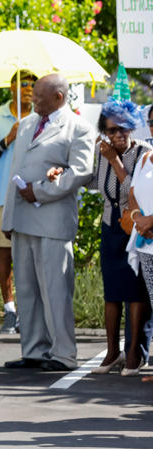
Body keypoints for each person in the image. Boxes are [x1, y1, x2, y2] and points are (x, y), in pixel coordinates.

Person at [2, 74, 95, 371]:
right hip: (23, 219)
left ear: (59, 97)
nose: (33, 99)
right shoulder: (27, 124)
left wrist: (40, 191)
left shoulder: (78, 128)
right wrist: (8, 217)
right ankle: (34, 350)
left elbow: (80, 172)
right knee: (27, 289)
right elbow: (15, 170)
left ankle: (64, 354)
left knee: (55, 291)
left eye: (39, 95)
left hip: (53, 221)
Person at [87, 100, 152, 376]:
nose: (118, 135)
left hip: (134, 224)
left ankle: (134, 353)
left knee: (135, 291)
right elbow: (97, 182)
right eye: (112, 130)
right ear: (104, 131)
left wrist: (115, 160)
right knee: (112, 292)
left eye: (124, 129)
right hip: (109, 223)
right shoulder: (101, 151)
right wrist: (64, 174)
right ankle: (112, 352)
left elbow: (131, 190)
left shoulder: (143, 152)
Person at [0, 70, 37, 334]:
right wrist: (8, 139)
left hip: (33, 195)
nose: (29, 88)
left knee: (30, 253)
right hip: (3, 194)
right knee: (5, 252)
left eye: (33, 84)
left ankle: (28, 310)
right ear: (11, 87)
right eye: (23, 83)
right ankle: (9, 309)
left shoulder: (39, 116)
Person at [128, 150, 153, 383]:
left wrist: (150, 220)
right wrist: (138, 219)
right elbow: (132, 193)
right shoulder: (145, 158)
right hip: (147, 244)